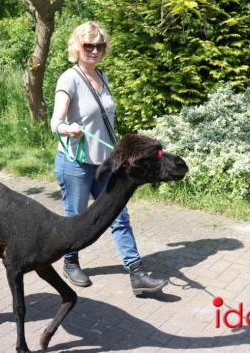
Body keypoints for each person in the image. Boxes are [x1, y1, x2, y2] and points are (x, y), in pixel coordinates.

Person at [50, 21, 167, 295]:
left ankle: (137, 274)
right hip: (76, 163)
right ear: (77, 47)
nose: (93, 51)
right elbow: (55, 121)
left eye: (98, 46)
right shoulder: (69, 79)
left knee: (119, 215)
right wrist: (67, 128)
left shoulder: (102, 76)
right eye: (87, 45)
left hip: (105, 164)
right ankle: (70, 261)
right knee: (76, 218)